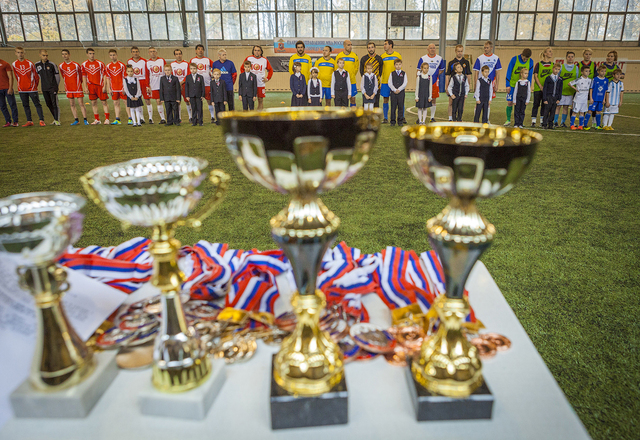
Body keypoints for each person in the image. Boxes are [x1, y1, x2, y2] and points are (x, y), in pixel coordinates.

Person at [13, 47, 45, 127]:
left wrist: (34, 86)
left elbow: (36, 76)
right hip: (22, 89)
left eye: (21, 52)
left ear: (24, 53)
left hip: (32, 89)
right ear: (15, 53)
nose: (20, 54)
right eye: (18, 52)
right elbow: (16, 76)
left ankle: (41, 120)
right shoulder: (14, 64)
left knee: (37, 104)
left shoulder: (30, 63)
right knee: (25, 105)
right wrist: (20, 85)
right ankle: (29, 121)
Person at [472, 41, 501, 123]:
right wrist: (475, 84)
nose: (485, 49)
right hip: (481, 84)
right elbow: (476, 72)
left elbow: (498, 72)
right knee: (478, 103)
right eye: (484, 47)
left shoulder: (496, 58)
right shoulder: (480, 58)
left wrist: (497, 84)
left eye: (487, 48)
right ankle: (476, 120)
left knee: (488, 102)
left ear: (491, 48)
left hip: (490, 84)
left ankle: (486, 120)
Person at [417, 43, 445, 122]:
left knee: (433, 99)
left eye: (434, 48)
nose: (432, 49)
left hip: (434, 82)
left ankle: (432, 117)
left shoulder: (439, 58)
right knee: (422, 98)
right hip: (424, 82)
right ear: (427, 49)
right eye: (431, 48)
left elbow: (442, 70)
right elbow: (418, 70)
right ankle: (420, 118)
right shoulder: (423, 58)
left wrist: (435, 75)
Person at [504, 48, 533, 127]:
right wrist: (507, 85)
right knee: (510, 102)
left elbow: (530, 75)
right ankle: (508, 120)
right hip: (513, 85)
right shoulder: (514, 59)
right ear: (522, 54)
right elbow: (509, 71)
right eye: (524, 58)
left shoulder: (531, 62)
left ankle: (520, 121)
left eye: (526, 59)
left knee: (521, 105)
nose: (525, 60)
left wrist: (528, 86)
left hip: (523, 87)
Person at [59, 49, 87, 125]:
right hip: (68, 88)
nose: (64, 55)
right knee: (72, 104)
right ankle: (76, 120)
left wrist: (78, 83)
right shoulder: (61, 66)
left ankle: (85, 120)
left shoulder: (76, 65)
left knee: (81, 104)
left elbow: (81, 76)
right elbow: (63, 75)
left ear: (69, 55)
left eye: (66, 54)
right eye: (63, 54)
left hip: (77, 87)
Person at [81, 48, 110, 125]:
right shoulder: (84, 64)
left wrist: (104, 86)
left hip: (100, 86)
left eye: (93, 53)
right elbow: (84, 76)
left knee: (104, 102)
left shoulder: (100, 63)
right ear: (87, 54)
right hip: (91, 86)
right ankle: (97, 120)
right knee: (93, 103)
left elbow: (105, 75)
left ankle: (107, 119)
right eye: (90, 53)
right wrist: (85, 87)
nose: (92, 55)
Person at [445, 44, 471, 122]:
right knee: (451, 103)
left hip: (462, 87)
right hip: (454, 87)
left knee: (461, 104)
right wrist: (447, 87)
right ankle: (450, 118)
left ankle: (459, 118)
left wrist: (468, 87)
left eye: (461, 51)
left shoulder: (466, 62)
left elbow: (468, 74)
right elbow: (447, 75)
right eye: (458, 51)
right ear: (455, 51)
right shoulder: (451, 63)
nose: (460, 53)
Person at [190, 44, 215, 123]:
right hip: (196, 86)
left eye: (202, 49)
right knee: (196, 102)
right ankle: (195, 118)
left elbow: (215, 67)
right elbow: (189, 72)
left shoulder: (208, 60)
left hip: (207, 84)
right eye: (198, 49)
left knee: (209, 101)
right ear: (195, 51)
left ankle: (212, 117)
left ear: (204, 51)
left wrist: (213, 75)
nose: (200, 50)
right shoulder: (192, 60)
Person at [34, 49, 60, 126]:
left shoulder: (52, 64)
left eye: (46, 55)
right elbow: (38, 75)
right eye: (43, 55)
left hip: (52, 87)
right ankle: (55, 118)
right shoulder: (37, 65)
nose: (45, 57)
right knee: (48, 104)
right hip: (44, 88)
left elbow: (57, 76)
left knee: (54, 104)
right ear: (40, 55)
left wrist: (55, 86)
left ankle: (57, 120)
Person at [244, 45, 273, 110]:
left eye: (258, 50)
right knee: (250, 100)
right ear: (253, 51)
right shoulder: (249, 58)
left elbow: (270, 70)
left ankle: (259, 114)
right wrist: (245, 78)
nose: (257, 52)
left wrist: (267, 78)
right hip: (250, 84)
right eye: (255, 50)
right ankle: (252, 114)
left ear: (261, 52)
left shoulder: (264, 60)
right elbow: (242, 68)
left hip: (260, 84)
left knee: (260, 100)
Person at [380, 40, 402, 124]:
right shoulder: (382, 56)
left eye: (385, 44)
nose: (384, 46)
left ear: (390, 45)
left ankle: (402, 117)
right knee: (385, 99)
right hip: (385, 81)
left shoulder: (397, 55)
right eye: (384, 44)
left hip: (396, 82)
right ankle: (385, 118)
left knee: (399, 100)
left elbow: (400, 69)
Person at [531, 47, 553, 127]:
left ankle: (542, 121)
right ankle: (533, 121)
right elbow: (535, 76)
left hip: (547, 90)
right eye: (549, 51)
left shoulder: (552, 65)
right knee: (536, 104)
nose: (551, 53)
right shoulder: (539, 64)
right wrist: (540, 86)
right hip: (538, 88)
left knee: (544, 105)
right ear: (545, 53)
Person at [127, 46, 150, 124]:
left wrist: (147, 85)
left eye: (136, 51)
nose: (135, 53)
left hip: (143, 81)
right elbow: (128, 73)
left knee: (147, 100)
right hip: (134, 83)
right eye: (133, 52)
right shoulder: (129, 61)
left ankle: (150, 118)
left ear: (139, 52)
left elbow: (147, 73)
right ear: (131, 53)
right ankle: (141, 118)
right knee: (138, 100)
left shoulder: (144, 61)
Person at [556, 51, 579, 128]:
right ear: (566, 57)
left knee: (566, 107)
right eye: (569, 56)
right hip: (561, 91)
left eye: (572, 56)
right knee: (558, 106)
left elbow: (577, 79)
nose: (570, 58)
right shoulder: (562, 67)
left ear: (574, 58)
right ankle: (555, 122)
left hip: (570, 92)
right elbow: (557, 77)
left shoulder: (576, 68)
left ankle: (563, 122)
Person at [583, 65, 609, 130]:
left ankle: (598, 125)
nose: (603, 73)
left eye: (605, 71)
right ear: (598, 71)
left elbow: (605, 90)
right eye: (602, 71)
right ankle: (585, 125)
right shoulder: (595, 79)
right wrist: (591, 98)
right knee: (590, 111)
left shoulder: (606, 80)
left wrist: (604, 99)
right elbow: (591, 89)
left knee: (598, 111)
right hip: (594, 99)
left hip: (601, 99)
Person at [105, 49, 126, 125]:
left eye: (114, 55)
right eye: (111, 55)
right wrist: (109, 88)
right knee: (116, 103)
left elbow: (125, 77)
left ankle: (130, 119)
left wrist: (124, 87)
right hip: (114, 88)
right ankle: (117, 119)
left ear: (117, 55)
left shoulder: (122, 65)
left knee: (126, 102)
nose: (112, 56)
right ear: (109, 56)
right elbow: (108, 78)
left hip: (122, 88)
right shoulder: (108, 66)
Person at [335, 40, 359, 108]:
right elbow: (336, 68)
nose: (350, 46)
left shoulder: (354, 56)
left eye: (351, 45)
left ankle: (352, 114)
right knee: (342, 100)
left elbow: (356, 68)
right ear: (344, 46)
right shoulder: (339, 55)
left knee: (353, 99)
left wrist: (351, 75)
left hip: (352, 81)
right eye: (348, 45)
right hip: (342, 83)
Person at [359, 42, 383, 108]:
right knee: (365, 103)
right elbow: (361, 71)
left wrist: (374, 80)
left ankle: (375, 115)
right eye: (369, 48)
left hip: (376, 85)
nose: (371, 49)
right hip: (366, 86)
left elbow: (380, 71)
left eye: (372, 47)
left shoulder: (379, 59)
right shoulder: (364, 59)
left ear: (375, 48)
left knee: (376, 103)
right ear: (367, 49)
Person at [145, 47, 166, 124]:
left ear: (156, 52)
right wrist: (147, 85)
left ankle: (166, 118)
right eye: (151, 51)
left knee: (162, 101)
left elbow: (166, 71)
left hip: (163, 85)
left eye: (154, 51)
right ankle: (161, 118)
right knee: (157, 101)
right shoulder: (147, 62)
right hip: (154, 85)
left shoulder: (162, 60)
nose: (152, 53)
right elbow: (147, 75)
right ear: (148, 53)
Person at [569, 65, 592, 130]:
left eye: (588, 71)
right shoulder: (579, 79)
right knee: (575, 112)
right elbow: (569, 83)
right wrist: (575, 89)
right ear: (582, 72)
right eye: (586, 71)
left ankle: (580, 125)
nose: (587, 72)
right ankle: (572, 125)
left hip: (584, 100)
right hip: (578, 99)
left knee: (582, 112)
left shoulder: (590, 80)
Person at [171, 49, 190, 123]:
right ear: (174, 55)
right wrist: (177, 84)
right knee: (177, 102)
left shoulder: (186, 64)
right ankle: (178, 118)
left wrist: (181, 83)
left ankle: (191, 117)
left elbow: (188, 75)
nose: (178, 55)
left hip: (185, 85)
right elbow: (172, 75)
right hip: (175, 86)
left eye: (179, 54)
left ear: (181, 54)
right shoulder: (172, 64)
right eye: (177, 54)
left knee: (187, 101)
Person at [542, 63, 563, 130]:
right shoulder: (548, 78)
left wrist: (559, 98)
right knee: (546, 111)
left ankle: (550, 124)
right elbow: (545, 89)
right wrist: (544, 99)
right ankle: (544, 124)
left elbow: (560, 90)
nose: (557, 71)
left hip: (555, 98)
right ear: (552, 69)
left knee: (553, 111)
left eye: (558, 69)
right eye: (556, 69)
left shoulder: (560, 79)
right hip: (549, 97)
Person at [0, 56, 18, 127]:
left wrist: (10, 88)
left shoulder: (5, 64)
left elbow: (10, 76)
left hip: (7, 88)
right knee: (2, 106)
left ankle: (15, 121)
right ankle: (8, 121)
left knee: (12, 105)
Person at [388, 59, 407, 127]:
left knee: (400, 107)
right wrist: (394, 89)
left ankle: (400, 121)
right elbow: (389, 83)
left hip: (401, 93)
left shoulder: (404, 73)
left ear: (401, 65)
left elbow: (405, 83)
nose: (398, 66)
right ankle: (392, 121)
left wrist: (399, 89)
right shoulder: (392, 73)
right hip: (393, 93)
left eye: (399, 64)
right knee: (393, 107)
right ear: (394, 65)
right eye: (396, 64)